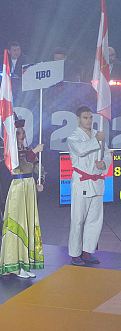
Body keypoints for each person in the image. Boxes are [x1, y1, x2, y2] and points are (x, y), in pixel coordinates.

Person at [0, 119, 45, 278]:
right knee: (18, 222)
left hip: (29, 187)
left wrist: (40, 181)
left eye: (23, 131)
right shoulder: (10, 152)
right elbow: (18, 164)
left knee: (29, 222)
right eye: (18, 132)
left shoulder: (28, 149)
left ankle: (26, 262)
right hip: (18, 187)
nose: (21, 134)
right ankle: (15, 264)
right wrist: (35, 151)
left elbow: (38, 168)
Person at [67, 106, 112, 266]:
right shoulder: (73, 137)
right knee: (78, 220)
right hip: (82, 181)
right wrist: (96, 140)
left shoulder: (97, 134)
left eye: (91, 117)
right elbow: (80, 150)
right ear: (78, 119)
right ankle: (75, 253)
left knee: (95, 220)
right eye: (85, 118)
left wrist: (103, 164)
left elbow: (107, 154)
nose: (89, 120)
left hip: (97, 181)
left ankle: (87, 251)